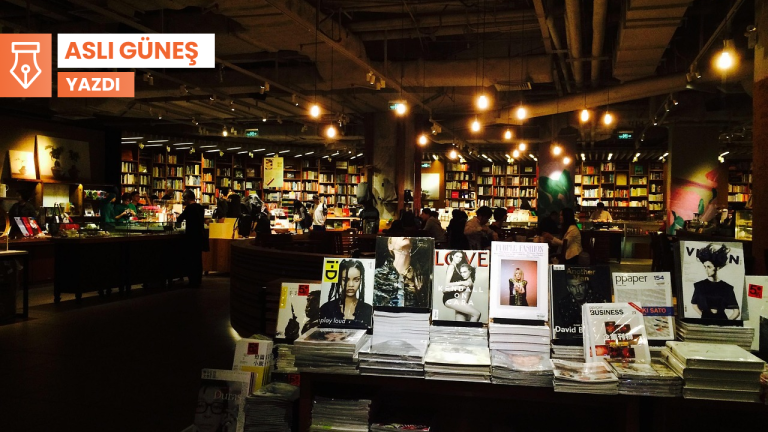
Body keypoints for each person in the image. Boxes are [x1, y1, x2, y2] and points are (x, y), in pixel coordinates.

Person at [374, 237, 431, 307]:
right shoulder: (378, 276)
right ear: (390, 245)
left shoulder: (422, 278)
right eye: (397, 234)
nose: (404, 235)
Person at [691, 243, 740, 320]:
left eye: (709, 267)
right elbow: (694, 305)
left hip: (722, 321)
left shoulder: (727, 288)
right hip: (705, 321)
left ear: (717, 268)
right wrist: (704, 316)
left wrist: (726, 323)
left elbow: (736, 311)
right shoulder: (699, 286)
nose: (706, 270)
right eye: (705, 267)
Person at [319, 259, 373, 328]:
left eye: (356, 280)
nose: (351, 285)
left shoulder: (368, 310)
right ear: (339, 280)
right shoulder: (327, 308)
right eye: (345, 280)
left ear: (360, 281)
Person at [177, 189, 206, 288]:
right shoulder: (200, 207)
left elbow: (179, 219)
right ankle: (198, 279)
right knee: (198, 259)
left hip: (191, 237)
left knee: (191, 259)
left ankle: (192, 280)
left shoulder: (189, 208)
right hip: (199, 236)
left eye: (184, 198)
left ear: (187, 198)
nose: (183, 201)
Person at [443, 251, 481, 321]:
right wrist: (462, 283)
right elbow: (446, 287)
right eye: (457, 256)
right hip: (451, 299)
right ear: (452, 256)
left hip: (458, 301)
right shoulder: (452, 266)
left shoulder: (467, 281)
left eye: (460, 257)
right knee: (476, 314)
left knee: (461, 323)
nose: (459, 259)